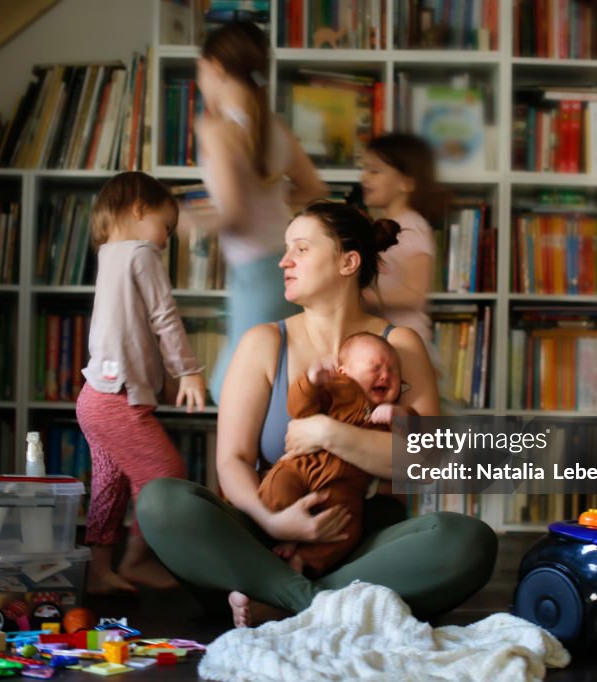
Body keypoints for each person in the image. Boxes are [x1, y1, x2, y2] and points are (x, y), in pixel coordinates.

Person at [137, 201, 497, 627]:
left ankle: (284, 603)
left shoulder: (400, 345)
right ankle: (318, 603)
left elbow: (423, 461)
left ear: (348, 261)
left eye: (302, 249)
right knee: (162, 502)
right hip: (264, 542)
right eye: (287, 249)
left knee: (468, 540)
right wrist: (276, 521)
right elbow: (232, 460)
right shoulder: (264, 342)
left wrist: (326, 432)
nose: (284, 261)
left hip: (361, 544)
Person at [77, 171, 207, 595]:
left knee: (109, 490)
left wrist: (161, 382)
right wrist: (187, 370)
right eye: (165, 227)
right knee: (165, 474)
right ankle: (138, 558)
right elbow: (163, 317)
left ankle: (99, 573)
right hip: (115, 399)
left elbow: (130, 337)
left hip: (94, 397)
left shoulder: (110, 255)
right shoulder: (142, 253)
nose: (165, 239)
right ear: (138, 209)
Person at [187, 19, 328, 402]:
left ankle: (241, 463)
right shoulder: (276, 129)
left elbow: (235, 215)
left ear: (215, 67)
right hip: (289, 265)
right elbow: (314, 189)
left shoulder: (214, 130)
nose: (200, 82)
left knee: (234, 390)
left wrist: (184, 221)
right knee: (278, 381)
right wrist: (280, 206)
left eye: (199, 71)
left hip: (254, 273)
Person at [260, 331, 416, 578]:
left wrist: (399, 416)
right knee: (276, 488)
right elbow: (300, 409)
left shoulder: (387, 411)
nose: (385, 375)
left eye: (393, 371)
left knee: (347, 528)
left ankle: (303, 560)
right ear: (344, 373)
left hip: (344, 485)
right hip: (301, 466)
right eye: (375, 367)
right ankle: (284, 539)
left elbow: (415, 447)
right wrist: (310, 382)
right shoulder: (333, 391)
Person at [359, 133, 451, 345]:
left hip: (406, 347)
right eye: (364, 169)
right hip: (383, 342)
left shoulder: (411, 228)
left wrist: (361, 296)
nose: (364, 177)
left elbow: (413, 294)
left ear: (407, 183)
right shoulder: (381, 226)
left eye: (374, 171)